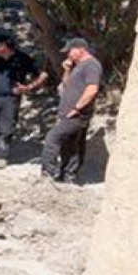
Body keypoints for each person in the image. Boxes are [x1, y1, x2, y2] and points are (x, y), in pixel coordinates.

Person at [0, 33, 48, 168]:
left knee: (7, 128)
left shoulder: (22, 59)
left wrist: (28, 88)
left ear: (6, 46)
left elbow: (43, 75)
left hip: (10, 99)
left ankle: (2, 156)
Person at [40, 38, 102, 183]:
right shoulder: (78, 66)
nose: (68, 55)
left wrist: (77, 108)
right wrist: (67, 70)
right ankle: (67, 176)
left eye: (70, 51)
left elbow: (92, 89)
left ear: (80, 49)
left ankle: (48, 173)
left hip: (76, 114)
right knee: (70, 146)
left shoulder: (91, 65)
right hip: (68, 113)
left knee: (52, 138)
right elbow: (66, 85)